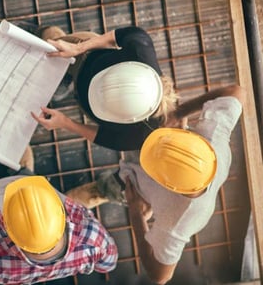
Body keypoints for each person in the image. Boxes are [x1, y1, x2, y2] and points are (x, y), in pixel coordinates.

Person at [67, 85, 245, 284]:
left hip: (135, 187)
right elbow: (236, 91)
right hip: (163, 146)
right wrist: (179, 112)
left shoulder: (177, 221)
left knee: (109, 188)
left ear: (165, 184)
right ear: (194, 141)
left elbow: (160, 276)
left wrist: (137, 216)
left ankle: (100, 191)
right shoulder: (213, 138)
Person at [0, 137, 118, 284]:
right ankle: (25, 173)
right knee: (27, 178)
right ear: (63, 216)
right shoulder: (93, 240)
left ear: (6, 225)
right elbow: (108, 263)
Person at [32, 26, 178, 151]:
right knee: (51, 41)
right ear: (126, 65)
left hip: (83, 97)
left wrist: (65, 123)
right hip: (86, 54)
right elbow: (116, 36)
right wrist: (77, 48)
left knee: (51, 75)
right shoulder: (140, 50)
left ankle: (66, 81)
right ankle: (46, 32)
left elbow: (103, 137)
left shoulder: (139, 135)